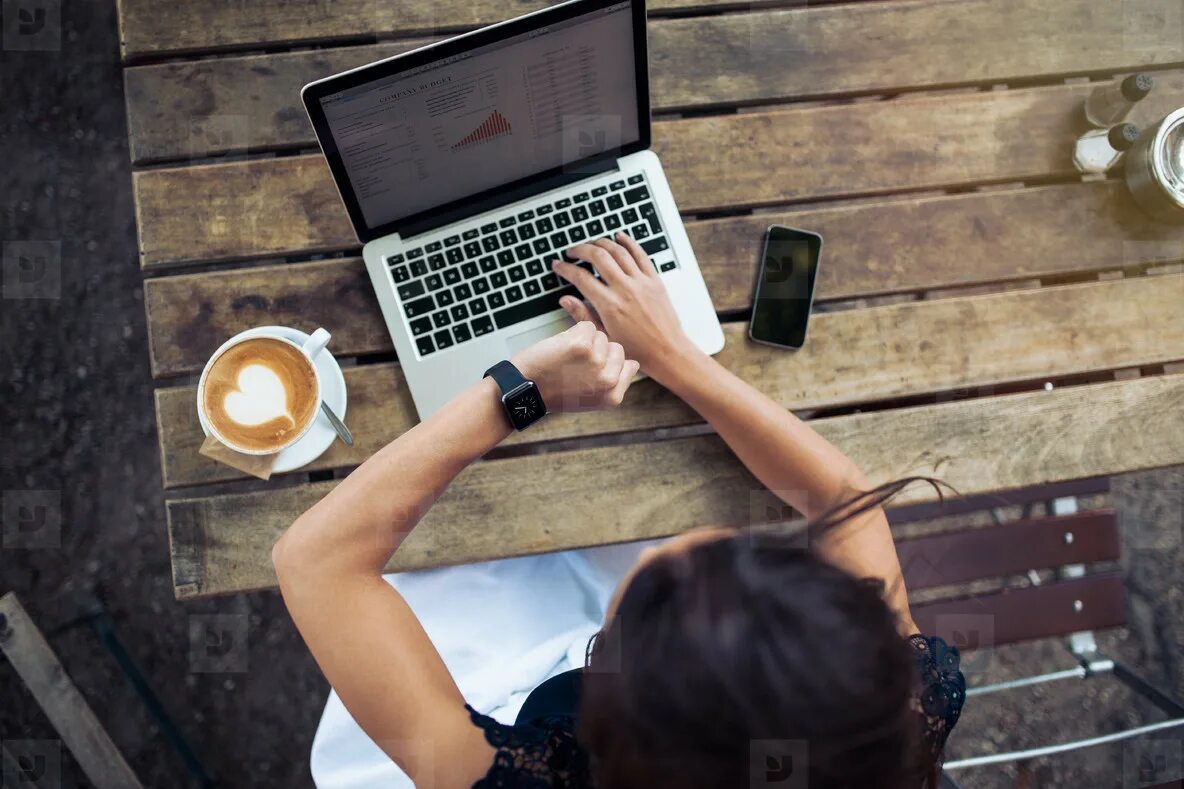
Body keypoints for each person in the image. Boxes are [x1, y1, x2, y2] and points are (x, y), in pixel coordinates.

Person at [274, 233, 966, 788]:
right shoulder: (895, 717)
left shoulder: (522, 779)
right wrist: (675, 356)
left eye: (657, 595)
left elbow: (315, 561)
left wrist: (519, 389)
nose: (698, 538)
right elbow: (846, 501)